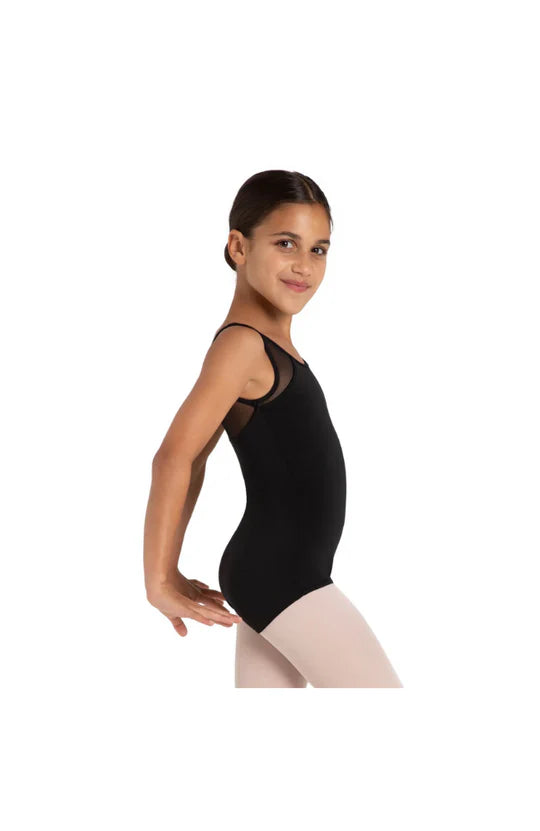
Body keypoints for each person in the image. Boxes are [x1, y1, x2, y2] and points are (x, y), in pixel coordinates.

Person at [143, 169, 403, 688]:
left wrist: (168, 571)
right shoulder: (242, 345)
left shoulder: (269, 346)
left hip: (277, 574)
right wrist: (160, 579)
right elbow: (175, 456)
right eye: (286, 243)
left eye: (318, 249)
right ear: (238, 247)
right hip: (283, 577)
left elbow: (197, 458)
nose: (304, 265)